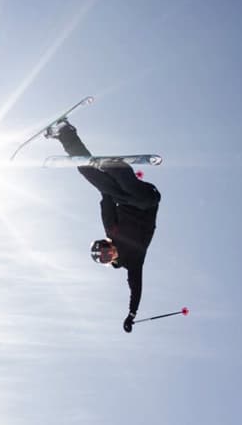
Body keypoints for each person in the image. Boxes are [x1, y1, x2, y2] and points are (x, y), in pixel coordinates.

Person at [45, 118, 161, 332]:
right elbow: (135, 288)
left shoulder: (110, 228)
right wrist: (132, 313)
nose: (111, 251)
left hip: (126, 196)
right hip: (147, 202)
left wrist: (93, 173)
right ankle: (110, 164)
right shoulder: (133, 261)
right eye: (107, 256)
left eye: (106, 249)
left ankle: (64, 133)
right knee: (122, 189)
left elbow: (105, 196)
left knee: (87, 172)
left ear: (105, 243)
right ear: (110, 261)